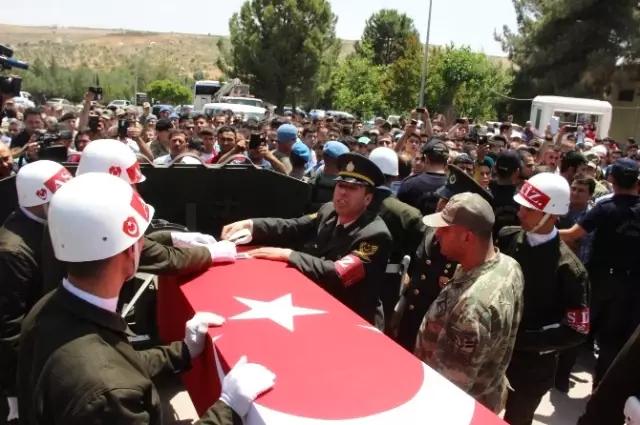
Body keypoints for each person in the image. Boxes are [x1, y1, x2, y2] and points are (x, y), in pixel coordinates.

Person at [17, 173, 275, 424]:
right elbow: (110, 376)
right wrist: (228, 408)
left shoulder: (49, 307)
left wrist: (182, 351)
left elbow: (122, 362)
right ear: (132, 250)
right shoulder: (109, 394)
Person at [40, 139, 237, 295]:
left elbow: (142, 246)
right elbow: (159, 257)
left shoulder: (71, 203)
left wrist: (174, 237)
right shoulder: (94, 214)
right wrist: (211, 253)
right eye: (131, 184)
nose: (136, 191)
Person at [221, 152, 392, 328]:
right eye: (340, 185)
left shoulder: (374, 235)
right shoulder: (328, 211)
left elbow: (337, 273)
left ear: (368, 199)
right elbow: (294, 226)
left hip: (354, 318)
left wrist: (289, 255)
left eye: (352, 188)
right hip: (318, 305)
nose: (343, 192)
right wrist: (252, 225)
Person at [415, 193, 524, 413]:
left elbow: (446, 392)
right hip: (487, 395)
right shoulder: (508, 265)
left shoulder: (471, 309)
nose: (437, 234)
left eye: (445, 229)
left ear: (467, 237)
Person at [497, 173, 590, 425]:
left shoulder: (570, 269)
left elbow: (576, 329)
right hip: (492, 355)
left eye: (529, 209)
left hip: (531, 368)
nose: (520, 213)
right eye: (521, 206)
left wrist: (521, 340)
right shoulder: (507, 237)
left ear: (551, 215)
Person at [391, 165, 494, 351]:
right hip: (410, 324)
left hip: (438, 339)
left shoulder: (468, 249)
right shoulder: (432, 229)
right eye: (441, 199)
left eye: (447, 203)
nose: (439, 206)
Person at [0, 160, 72, 424]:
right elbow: (9, 329)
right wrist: (15, 391)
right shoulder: (11, 252)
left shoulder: (41, 224)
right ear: (41, 198)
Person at [559, 158, 640, 389]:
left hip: (600, 281)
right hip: (630, 285)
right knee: (612, 340)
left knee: (579, 327)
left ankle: (562, 378)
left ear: (611, 179)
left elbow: (574, 234)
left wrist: (543, 229)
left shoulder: (605, 208)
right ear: (637, 181)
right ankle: (599, 388)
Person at [367, 147, 425, 330]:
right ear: (396, 176)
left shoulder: (354, 201)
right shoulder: (409, 215)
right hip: (388, 286)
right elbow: (421, 257)